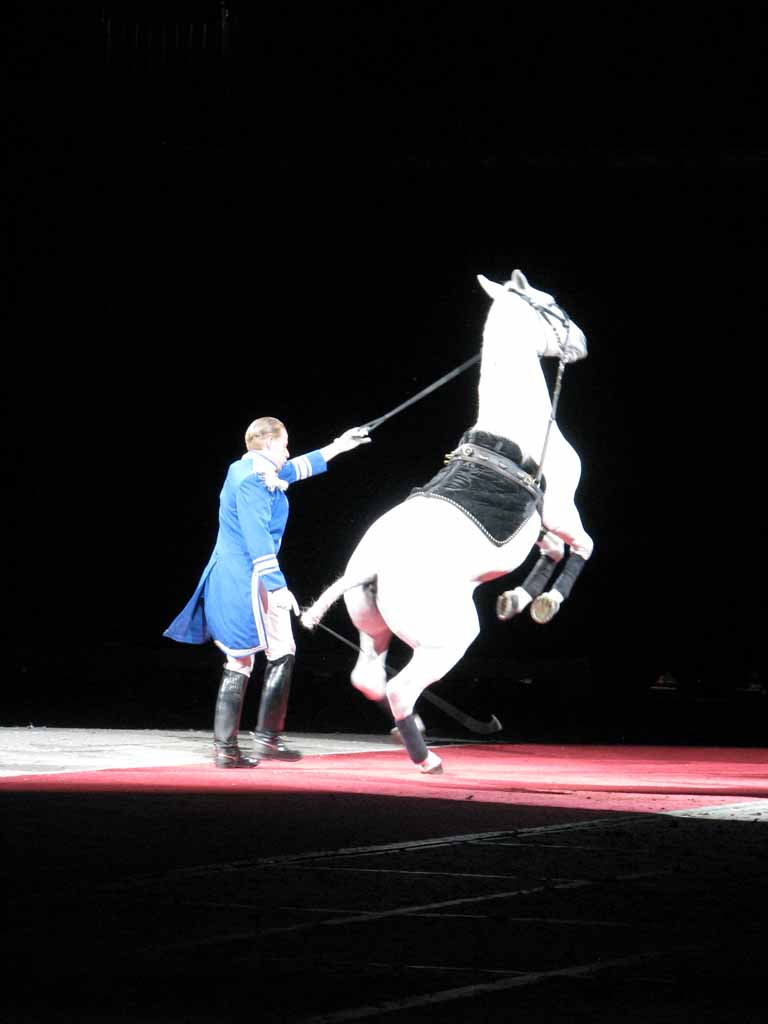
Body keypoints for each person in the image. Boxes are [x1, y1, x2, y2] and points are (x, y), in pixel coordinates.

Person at [163, 417, 371, 768]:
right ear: (270, 444)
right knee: (241, 659)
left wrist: (340, 444)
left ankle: (267, 740)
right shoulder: (250, 480)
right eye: (285, 444)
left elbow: (296, 468)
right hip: (243, 577)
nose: (288, 451)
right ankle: (227, 750)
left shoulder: (256, 470)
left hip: (255, 573)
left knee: (282, 649)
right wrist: (278, 587)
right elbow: (256, 535)